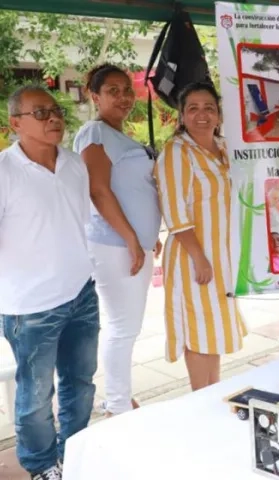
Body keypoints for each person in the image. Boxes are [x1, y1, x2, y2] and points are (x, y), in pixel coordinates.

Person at [0, 85, 99, 480]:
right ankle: (41, 466)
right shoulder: (4, 171)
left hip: (81, 293)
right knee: (36, 397)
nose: (54, 118)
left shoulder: (75, 164)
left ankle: (75, 453)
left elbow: (79, 222)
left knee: (81, 382)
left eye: (56, 110)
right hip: (31, 306)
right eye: (40, 113)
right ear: (15, 123)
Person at [73, 64, 162, 418]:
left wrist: (146, 237)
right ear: (94, 96)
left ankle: (119, 397)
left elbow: (135, 191)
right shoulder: (94, 133)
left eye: (127, 90)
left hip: (131, 244)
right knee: (124, 326)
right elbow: (98, 191)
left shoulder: (119, 135)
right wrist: (131, 239)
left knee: (127, 325)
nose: (124, 97)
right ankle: (117, 403)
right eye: (113, 90)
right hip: (114, 245)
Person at [154, 82, 248, 391]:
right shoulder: (176, 152)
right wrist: (199, 258)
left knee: (215, 325)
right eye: (192, 108)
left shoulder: (223, 148)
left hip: (222, 255)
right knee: (197, 327)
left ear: (219, 114)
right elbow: (174, 211)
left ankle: (214, 391)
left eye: (208, 107)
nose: (202, 115)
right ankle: (201, 397)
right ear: (181, 115)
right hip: (193, 255)